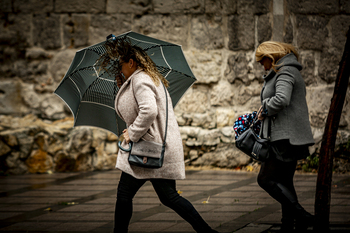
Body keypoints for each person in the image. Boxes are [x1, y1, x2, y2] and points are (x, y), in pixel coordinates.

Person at [98, 38, 218, 233]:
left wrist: (132, 133)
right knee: (167, 197)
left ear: (131, 62)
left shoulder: (141, 79)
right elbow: (137, 107)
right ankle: (207, 232)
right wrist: (123, 87)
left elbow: (149, 111)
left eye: (121, 64)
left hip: (147, 148)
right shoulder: (142, 78)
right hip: (154, 148)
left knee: (126, 194)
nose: (119, 69)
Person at [255, 41, 315, 232]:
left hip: (285, 138)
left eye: (262, 60)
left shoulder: (286, 71)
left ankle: (302, 216)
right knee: (284, 182)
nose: (261, 65)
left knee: (265, 179)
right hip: (287, 136)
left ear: (270, 57)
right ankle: (288, 223)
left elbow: (282, 99)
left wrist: (264, 108)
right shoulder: (286, 71)